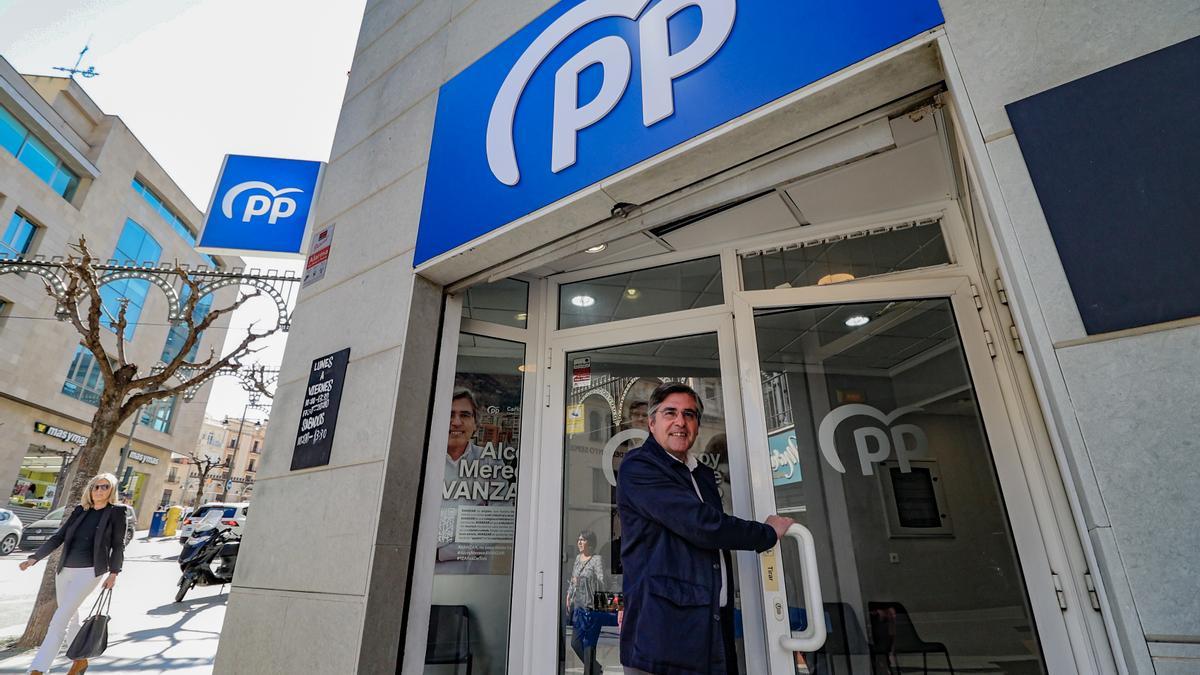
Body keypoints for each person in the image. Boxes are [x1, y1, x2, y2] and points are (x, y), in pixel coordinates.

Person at [617, 383, 794, 675]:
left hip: (710, 623)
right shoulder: (640, 466)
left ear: (697, 425)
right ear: (652, 423)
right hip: (665, 631)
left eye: (689, 414)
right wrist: (766, 533)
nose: (680, 421)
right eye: (670, 413)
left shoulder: (701, 473)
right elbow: (702, 525)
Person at [19, 472, 126, 675]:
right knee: (73, 616)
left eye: (105, 487)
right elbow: (59, 536)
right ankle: (80, 661)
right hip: (65, 570)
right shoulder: (80, 510)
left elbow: (118, 545)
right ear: (90, 489)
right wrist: (35, 557)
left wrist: (114, 573)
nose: (99, 490)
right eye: (96, 486)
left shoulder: (116, 512)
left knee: (59, 620)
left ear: (112, 490)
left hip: (90, 572)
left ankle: (37, 669)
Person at [565, 529, 607, 675]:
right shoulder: (577, 558)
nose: (579, 542)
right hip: (579, 605)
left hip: (592, 606)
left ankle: (591, 671)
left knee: (589, 644)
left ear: (590, 543)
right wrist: (568, 595)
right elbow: (573, 579)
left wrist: (583, 580)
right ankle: (596, 669)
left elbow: (602, 582)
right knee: (575, 642)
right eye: (579, 539)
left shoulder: (597, 559)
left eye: (583, 539)